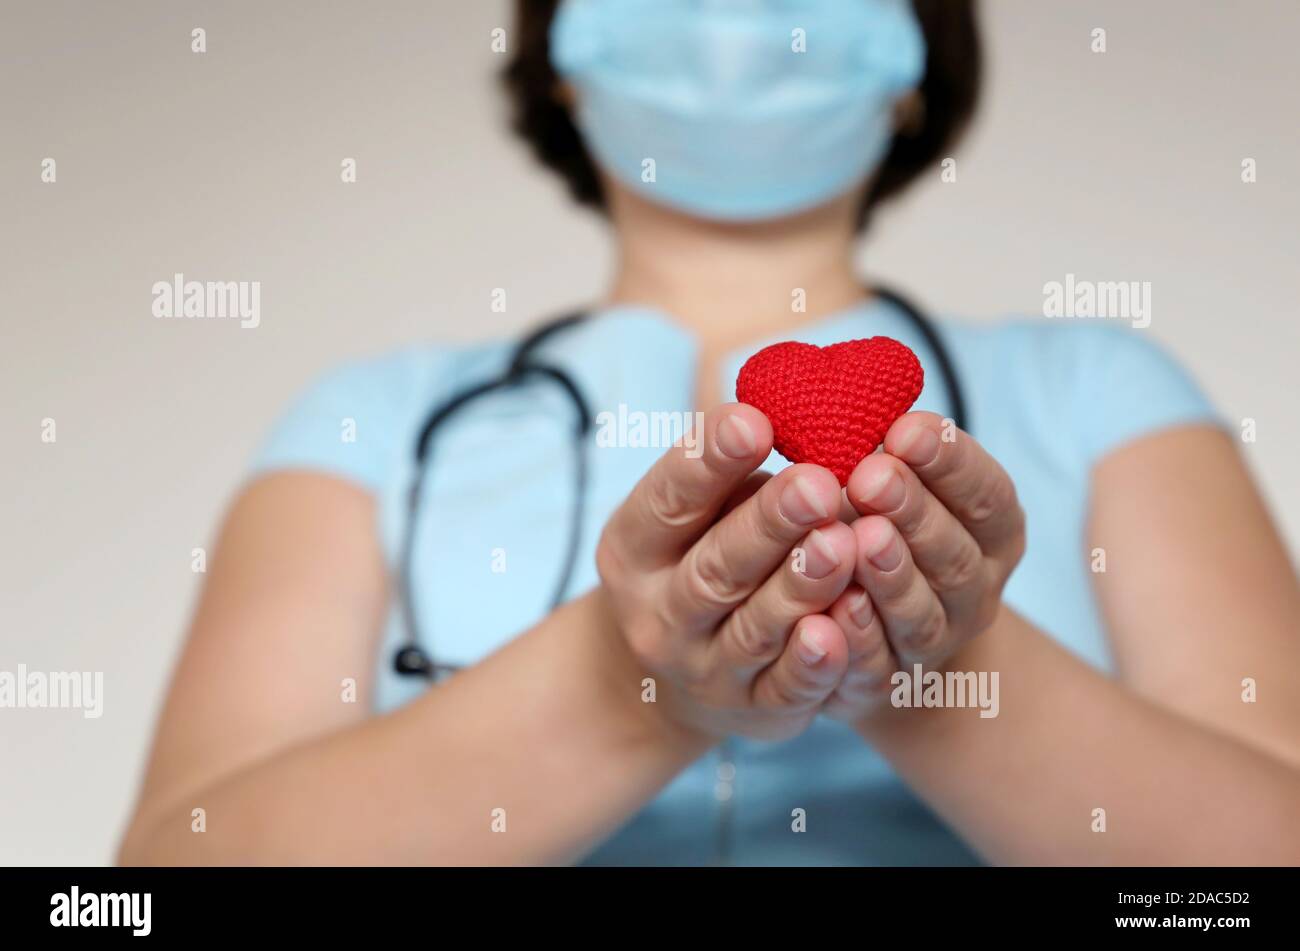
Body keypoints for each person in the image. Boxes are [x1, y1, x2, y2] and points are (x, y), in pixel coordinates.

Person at [118, 0, 1300, 866]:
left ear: (913, 64)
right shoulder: (372, 422)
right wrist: (639, 684)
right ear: (561, 60)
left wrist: (936, 663)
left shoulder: (1105, 388)